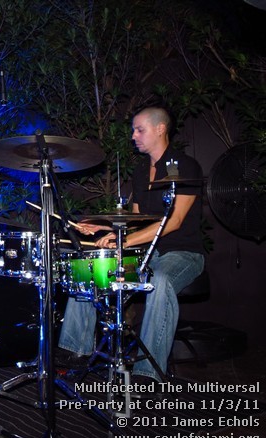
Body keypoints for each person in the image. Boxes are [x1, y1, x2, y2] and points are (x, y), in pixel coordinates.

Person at [58, 106, 205, 384]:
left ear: (160, 129)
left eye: (139, 130)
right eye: (133, 130)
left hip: (182, 253)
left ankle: (148, 373)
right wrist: (104, 227)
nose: (133, 136)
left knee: (160, 280)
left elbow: (172, 222)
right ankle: (74, 349)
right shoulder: (140, 171)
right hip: (146, 254)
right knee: (91, 266)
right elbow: (136, 221)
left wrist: (122, 240)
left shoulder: (185, 166)